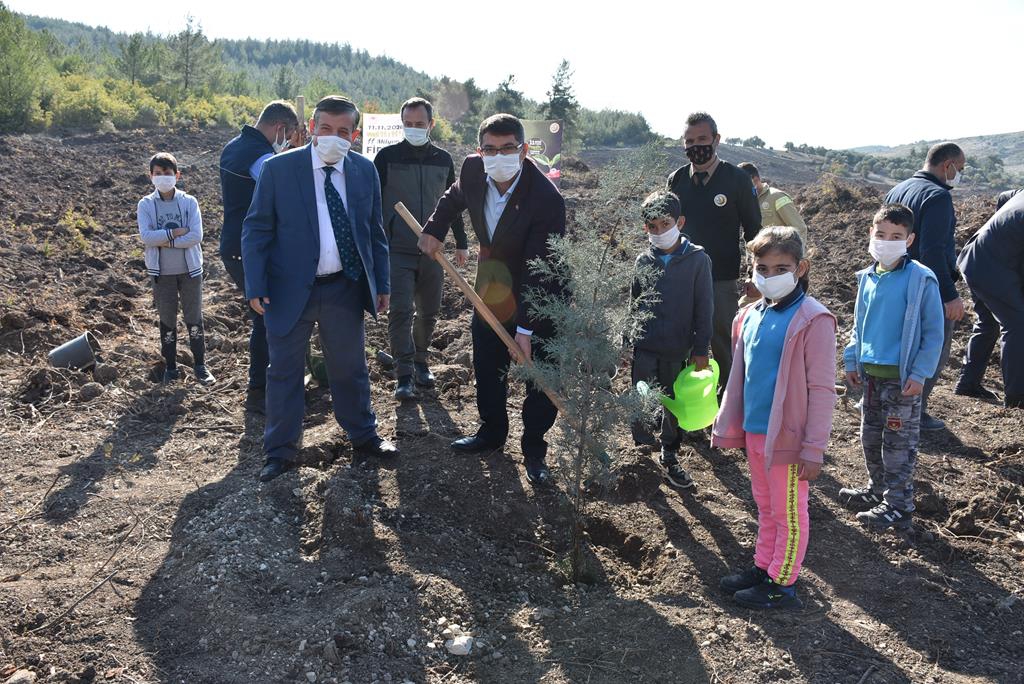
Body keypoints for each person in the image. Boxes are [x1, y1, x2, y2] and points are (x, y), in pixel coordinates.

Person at [242, 95, 398, 484]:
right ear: (310, 129)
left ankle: (364, 436)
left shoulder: (364, 171)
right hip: (287, 289)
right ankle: (279, 452)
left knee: (350, 368)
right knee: (284, 373)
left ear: (354, 134)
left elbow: (374, 231)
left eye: (343, 131)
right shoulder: (279, 170)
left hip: (344, 286)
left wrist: (381, 283)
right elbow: (257, 228)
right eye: (325, 129)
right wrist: (256, 285)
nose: (333, 137)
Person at [417, 113, 566, 486]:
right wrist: (434, 230)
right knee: (487, 363)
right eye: (490, 149)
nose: (498, 156)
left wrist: (527, 329)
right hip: (490, 287)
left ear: (524, 149)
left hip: (540, 295)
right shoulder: (471, 170)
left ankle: (534, 448)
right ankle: (491, 433)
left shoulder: (546, 199)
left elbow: (540, 268)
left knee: (539, 375)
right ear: (479, 150)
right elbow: (453, 199)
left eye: (508, 149)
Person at [712, 226, 837, 610]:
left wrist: (813, 448)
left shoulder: (814, 320)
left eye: (780, 267)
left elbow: (822, 390)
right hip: (755, 430)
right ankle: (764, 565)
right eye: (761, 267)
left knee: (789, 511)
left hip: (788, 438)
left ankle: (782, 583)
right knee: (765, 505)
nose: (769, 275)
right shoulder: (749, 316)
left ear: (801, 268)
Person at [839, 204, 944, 531]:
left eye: (896, 236)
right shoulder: (868, 277)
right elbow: (858, 325)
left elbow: (933, 333)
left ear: (909, 239)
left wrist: (920, 373)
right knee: (870, 436)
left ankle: (899, 504)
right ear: (871, 234)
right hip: (870, 377)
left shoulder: (920, 279)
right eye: (881, 234)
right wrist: (852, 358)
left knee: (898, 444)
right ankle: (877, 490)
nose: (887, 241)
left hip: (901, 382)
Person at [374, 97, 467, 401]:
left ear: (431, 124)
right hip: (397, 248)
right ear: (402, 124)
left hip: (433, 250)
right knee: (401, 310)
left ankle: (420, 360)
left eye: (419, 124)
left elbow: (452, 203)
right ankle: (403, 375)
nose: (413, 129)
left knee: (429, 311)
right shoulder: (387, 158)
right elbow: (373, 204)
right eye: (408, 124)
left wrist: (461, 242)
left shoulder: (443, 160)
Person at [219, 101, 303, 413]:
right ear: (280, 129)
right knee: (267, 316)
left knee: (265, 316)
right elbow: (286, 190)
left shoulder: (234, 146)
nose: (289, 141)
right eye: (289, 135)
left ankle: (268, 384)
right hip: (250, 250)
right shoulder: (262, 158)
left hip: (235, 246)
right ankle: (261, 390)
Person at [667, 112, 761, 390]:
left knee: (723, 344)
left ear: (717, 140)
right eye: (689, 141)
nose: (696, 146)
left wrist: (756, 274)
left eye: (702, 139)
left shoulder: (737, 180)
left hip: (721, 278)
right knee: (682, 345)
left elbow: (754, 231)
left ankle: (727, 410)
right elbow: (667, 227)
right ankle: (688, 412)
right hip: (682, 278)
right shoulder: (676, 180)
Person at [629, 190, 714, 489]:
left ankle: (669, 452)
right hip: (646, 345)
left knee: (674, 402)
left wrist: (700, 349)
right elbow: (634, 303)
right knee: (639, 397)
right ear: (645, 228)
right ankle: (640, 451)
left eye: (665, 223)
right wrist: (629, 340)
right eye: (652, 226)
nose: (659, 231)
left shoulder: (697, 260)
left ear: (679, 221)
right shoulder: (643, 260)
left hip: (678, 348)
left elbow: (705, 308)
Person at [885, 143, 966, 431]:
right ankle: (915, 411)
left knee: (897, 346)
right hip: (925, 287)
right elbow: (933, 250)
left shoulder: (898, 189)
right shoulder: (938, 196)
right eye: (961, 169)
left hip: (896, 280)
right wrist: (949, 295)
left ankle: (888, 403)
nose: (960, 175)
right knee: (933, 346)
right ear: (948, 166)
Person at [137, 153, 214, 386]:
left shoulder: (189, 202)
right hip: (162, 274)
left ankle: (200, 365)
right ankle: (171, 367)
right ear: (151, 177)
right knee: (167, 320)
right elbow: (146, 236)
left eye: (167, 174)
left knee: (194, 318)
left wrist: (165, 241)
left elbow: (195, 236)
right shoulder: (146, 204)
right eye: (158, 174)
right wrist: (173, 233)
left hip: (190, 271)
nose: (163, 178)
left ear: (177, 175)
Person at [955, 190, 1024, 407]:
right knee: (1017, 324)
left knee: (989, 322)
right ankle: (1017, 397)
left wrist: (1000, 235)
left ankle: (968, 383)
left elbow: (1004, 197)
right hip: (993, 267)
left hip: (975, 257)